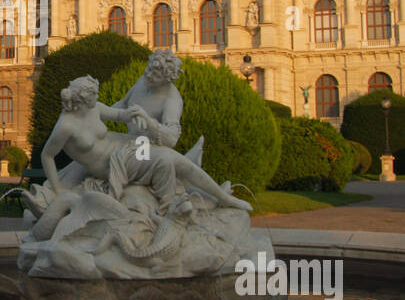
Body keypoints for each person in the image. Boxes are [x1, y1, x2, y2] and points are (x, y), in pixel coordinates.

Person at [40, 75, 251, 212]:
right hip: (113, 163)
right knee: (165, 160)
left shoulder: (94, 108)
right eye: (94, 94)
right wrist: (58, 190)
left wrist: (135, 115)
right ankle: (176, 206)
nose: (98, 96)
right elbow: (47, 156)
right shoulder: (65, 126)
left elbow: (118, 115)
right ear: (82, 98)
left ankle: (222, 198)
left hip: (123, 145)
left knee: (175, 159)